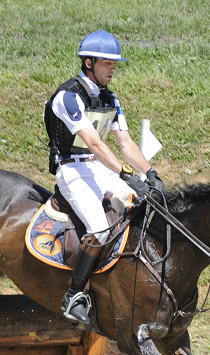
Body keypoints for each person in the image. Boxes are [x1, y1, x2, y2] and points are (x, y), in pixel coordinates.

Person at [45, 30, 166, 324]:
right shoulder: (68, 97)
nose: (113, 68)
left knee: (148, 202)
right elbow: (96, 144)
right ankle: (74, 294)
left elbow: (125, 143)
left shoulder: (110, 98)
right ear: (88, 63)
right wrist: (126, 174)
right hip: (71, 169)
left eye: (115, 63)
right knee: (99, 230)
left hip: (98, 168)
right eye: (107, 62)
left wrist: (150, 173)